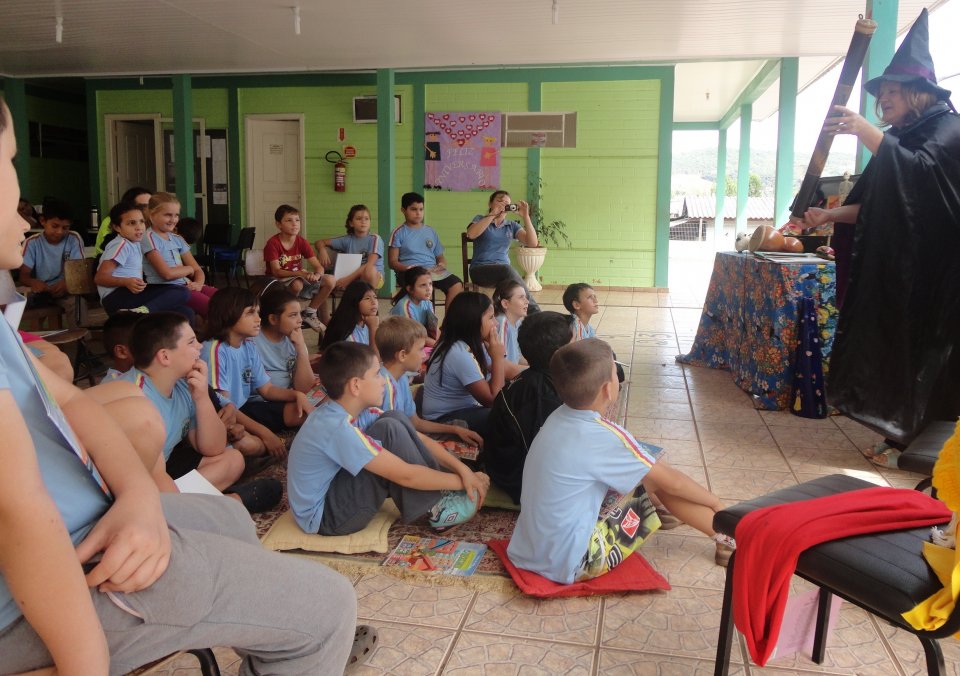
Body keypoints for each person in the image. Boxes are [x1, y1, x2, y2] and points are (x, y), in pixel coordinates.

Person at [0, 98, 365, 676]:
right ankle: (287, 630)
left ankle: (252, 624)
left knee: (229, 519)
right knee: (328, 608)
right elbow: (18, 517)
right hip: (48, 586)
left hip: (98, 519)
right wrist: (83, 664)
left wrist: (141, 497)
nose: (24, 216)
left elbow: (66, 398)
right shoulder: (151, 386)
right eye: (9, 162)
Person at [802, 8, 960, 460]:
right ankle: (900, 435)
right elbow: (881, 205)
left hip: (941, 279)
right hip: (905, 275)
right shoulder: (903, 135)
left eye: (892, 91)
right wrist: (830, 218)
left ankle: (928, 446)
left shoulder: (949, 130)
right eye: (882, 92)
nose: (884, 99)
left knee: (932, 362)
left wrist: (865, 130)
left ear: (918, 93)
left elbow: (921, 182)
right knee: (898, 352)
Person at [507, 339, 733, 585]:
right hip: (575, 561)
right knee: (653, 478)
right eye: (616, 374)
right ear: (608, 389)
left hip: (529, 551)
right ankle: (726, 536)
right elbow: (674, 483)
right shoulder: (603, 436)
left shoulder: (557, 416)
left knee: (643, 468)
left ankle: (672, 514)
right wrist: (716, 503)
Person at [287, 341, 489, 536]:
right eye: (376, 375)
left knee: (393, 421)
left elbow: (421, 439)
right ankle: (437, 509)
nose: (383, 380)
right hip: (328, 518)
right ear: (355, 386)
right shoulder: (336, 428)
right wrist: (462, 482)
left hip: (337, 490)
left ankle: (438, 494)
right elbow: (406, 475)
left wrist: (463, 471)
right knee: (390, 431)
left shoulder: (360, 411)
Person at [201, 287, 312, 457]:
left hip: (244, 408)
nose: (258, 319)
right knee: (249, 445)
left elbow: (267, 390)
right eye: (251, 313)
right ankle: (253, 447)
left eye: (258, 313)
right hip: (224, 415)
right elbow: (224, 407)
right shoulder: (215, 350)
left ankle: (257, 445)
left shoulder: (248, 345)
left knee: (301, 411)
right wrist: (265, 433)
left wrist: (297, 395)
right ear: (230, 314)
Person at [484, 311, 571, 503]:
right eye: (571, 344)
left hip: (515, 465)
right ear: (559, 353)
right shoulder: (543, 395)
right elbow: (543, 453)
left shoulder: (540, 378)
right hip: (518, 478)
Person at [422, 291, 521, 438]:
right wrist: (497, 358)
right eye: (491, 318)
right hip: (443, 421)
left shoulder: (472, 342)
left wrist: (538, 372)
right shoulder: (458, 353)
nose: (496, 322)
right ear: (473, 321)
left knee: (518, 398)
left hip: (464, 410)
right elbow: (493, 400)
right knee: (507, 417)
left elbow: (507, 370)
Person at [375, 316, 484, 447]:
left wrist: (456, 430)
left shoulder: (401, 377)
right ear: (402, 355)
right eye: (421, 349)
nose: (424, 355)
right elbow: (393, 442)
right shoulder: (384, 386)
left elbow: (415, 422)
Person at [94, 201, 194, 319]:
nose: (139, 227)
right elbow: (100, 278)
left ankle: (187, 337)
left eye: (141, 222)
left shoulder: (135, 243)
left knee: (185, 312)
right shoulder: (121, 244)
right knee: (182, 292)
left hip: (132, 295)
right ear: (117, 227)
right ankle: (145, 311)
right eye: (131, 223)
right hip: (116, 298)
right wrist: (125, 282)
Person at [141, 192, 217, 318]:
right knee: (213, 309)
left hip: (185, 284)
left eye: (176, 215)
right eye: (168, 215)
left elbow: (198, 270)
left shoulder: (177, 239)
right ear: (151, 214)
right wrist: (189, 269)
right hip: (167, 289)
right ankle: (215, 336)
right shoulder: (148, 238)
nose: (173, 219)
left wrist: (198, 283)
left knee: (224, 299)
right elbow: (167, 274)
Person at [465, 189, 541, 313]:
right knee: (507, 270)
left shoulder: (511, 225)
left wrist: (526, 216)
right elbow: (471, 234)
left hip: (503, 274)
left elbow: (532, 243)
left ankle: (503, 313)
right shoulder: (480, 219)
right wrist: (493, 214)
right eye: (499, 201)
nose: (503, 205)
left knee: (507, 275)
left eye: (506, 203)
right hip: (480, 270)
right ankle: (535, 311)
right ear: (490, 204)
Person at [263, 204, 335, 331]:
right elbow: (276, 271)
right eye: (289, 220)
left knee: (330, 280)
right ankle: (290, 313)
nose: (294, 224)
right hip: (277, 282)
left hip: (299, 277)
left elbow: (318, 266)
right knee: (297, 284)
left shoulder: (301, 242)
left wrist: (316, 275)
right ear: (278, 224)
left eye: (297, 220)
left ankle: (309, 312)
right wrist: (301, 274)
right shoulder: (273, 243)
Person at [388, 191, 463, 307]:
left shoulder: (430, 231)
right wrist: (407, 268)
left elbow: (440, 257)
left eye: (421, 209)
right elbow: (392, 262)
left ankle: (448, 323)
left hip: (432, 271)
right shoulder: (398, 232)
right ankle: (417, 320)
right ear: (403, 210)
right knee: (421, 287)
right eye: (414, 209)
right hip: (410, 272)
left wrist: (442, 264)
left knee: (456, 284)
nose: (418, 213)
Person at [19, 198, 86, 327]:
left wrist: (67, 283)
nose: (60, 231)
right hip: (41, 292)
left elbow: (79, 272)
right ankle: (34, 342)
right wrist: (34, 282)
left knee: (78, 304)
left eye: (65, 227)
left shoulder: (74, 239)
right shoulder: (32, 243)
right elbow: (24, 275)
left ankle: (81, 342)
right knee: (21, 304)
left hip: (66, 292)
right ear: (43, 221)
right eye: (55, 226)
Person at [251, 287, 316, 399]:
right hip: (264, 401)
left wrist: (301, 350)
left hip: (291, 396)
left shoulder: (294, 338)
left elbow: (305, 388)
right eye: (293, 315)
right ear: (273, 319)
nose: (300, 320)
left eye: (300, 314)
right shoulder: (253, 342)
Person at [316, 204, 385, 290]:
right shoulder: (347, 239)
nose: (363, 221)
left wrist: (347, 280)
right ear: (351, 223)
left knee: (369, 270)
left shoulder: (375, 239)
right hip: (352, 274)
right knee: (321, 280)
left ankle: (367, 297)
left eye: (366, 219)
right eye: (359, 218)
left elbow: (369, 264)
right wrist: (322, 250)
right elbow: (320, 242)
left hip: (373, 277)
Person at [320, 279, 380, 351]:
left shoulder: (368, 323)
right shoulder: (347, 332)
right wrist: (373, 329)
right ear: (354, 302)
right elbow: (373, 360)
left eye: (375, 297)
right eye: (367, 298)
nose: (374, 302)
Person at [389, 265, 439, 346]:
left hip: (418, 339)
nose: (428, 289)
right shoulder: (405, 307)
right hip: (402, 344)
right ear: (410, 289)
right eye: (423, 285)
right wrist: (439, 346)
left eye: (430, 284)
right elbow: (415, 337)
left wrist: (441, 343)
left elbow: (434, 329)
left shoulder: (427, 302)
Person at [94, 186, 151, 254]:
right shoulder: (110, 221)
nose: (149, 210)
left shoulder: (151, 222)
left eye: (151, 205)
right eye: (143, 206)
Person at [492, 278, 529, 365]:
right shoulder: (502, 323)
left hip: (512, 372)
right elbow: (501, 364)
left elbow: (517, 357)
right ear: (505, 304)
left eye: (526, 297)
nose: (527, 301)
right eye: (521, 297)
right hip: (504, 376)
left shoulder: (517, 323)